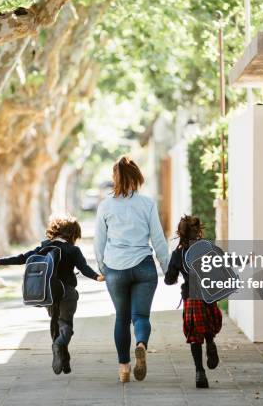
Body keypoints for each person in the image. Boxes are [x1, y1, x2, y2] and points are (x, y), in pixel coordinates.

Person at [0, 214, 104, 375]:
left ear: (55, 231)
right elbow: (84, 268)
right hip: (66, 292)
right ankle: (59, 345)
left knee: (55, 322)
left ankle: (63, 358)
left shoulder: (44, 247)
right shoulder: (72, 249)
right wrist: (97, 277)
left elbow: (22, 258)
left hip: (47, 292)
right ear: (73, 234)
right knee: (66, 325)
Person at [94, 156, 169, 383]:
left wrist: (102, 268)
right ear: (137, 177)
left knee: (122, 318)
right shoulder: (147, 204)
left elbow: (99, 241)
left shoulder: (105, 206)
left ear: (115, 178)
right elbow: (158, 239)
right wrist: (167, 269)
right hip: (144, 266)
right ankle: (141, 344)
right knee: (141, 316)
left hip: (115, 268)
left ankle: (124, 368)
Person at [164, 215, 222, 389]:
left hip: (191, 296)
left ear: (180, 233)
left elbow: (169, 279)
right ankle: (210, 342)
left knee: (194, 334)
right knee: (208, 324)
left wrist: (173, 272)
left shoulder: (178, 253)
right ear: (198, 232)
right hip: (208, 293)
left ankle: (199, 373)